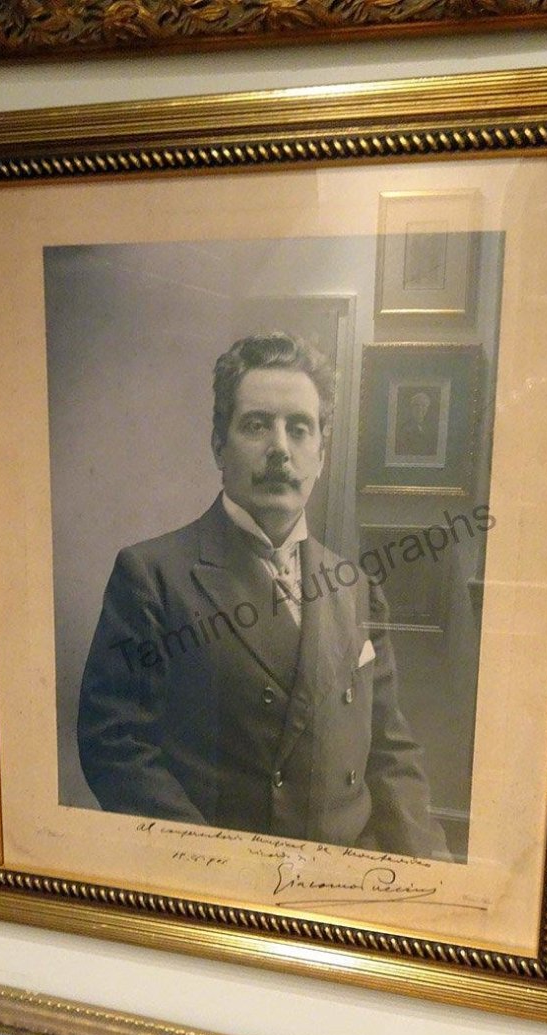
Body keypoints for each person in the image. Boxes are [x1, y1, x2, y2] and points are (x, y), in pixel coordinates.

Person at [77, 332, 446, 858]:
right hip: (222, 876)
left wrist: (433, 872)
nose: (280, 450)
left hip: (349, 870)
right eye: (256, 425)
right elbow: (115, 746)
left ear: (321, 452)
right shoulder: (153, 576)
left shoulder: (356, 587)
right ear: (218, 445)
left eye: (299, 428)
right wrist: (215, 863)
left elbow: (390, 753)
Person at [394, 388, 441, 457]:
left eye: (423, 406)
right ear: (411, 408)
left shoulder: (432, 428)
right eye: (417, 405)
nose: (420, 408)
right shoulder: (404, 428)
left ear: (427, 409)